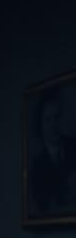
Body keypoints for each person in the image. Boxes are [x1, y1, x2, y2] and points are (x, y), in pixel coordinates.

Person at [27, 89, 76, 218]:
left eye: (57, 117)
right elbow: (44, 206)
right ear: (40, 124)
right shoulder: (37, 166)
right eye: (48, 119)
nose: (54, 125)